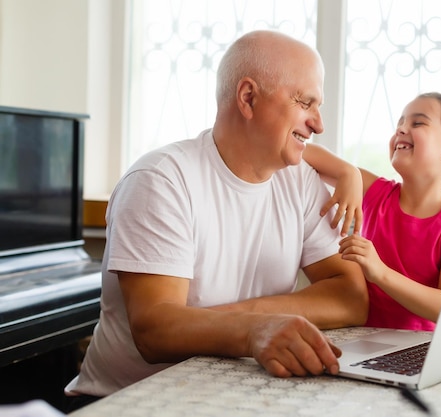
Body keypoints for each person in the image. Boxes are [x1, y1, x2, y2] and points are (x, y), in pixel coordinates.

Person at [63, 30, 369, 410]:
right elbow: (155, 331)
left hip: (230, 400)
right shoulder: (161, 180)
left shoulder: (301, 182)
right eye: (305, 102)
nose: (318, 124)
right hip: (127, 404)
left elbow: (350, 296)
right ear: (248, 98)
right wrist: (254, 330)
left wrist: (246, 321)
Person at [303, 92, 441, 331]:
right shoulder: (377, 192)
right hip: (358, 339)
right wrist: (349, 173)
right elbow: (303, 153)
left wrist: (380, 273)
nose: (401, 129)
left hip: (416, 351)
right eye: (400, 123)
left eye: (417, 123)